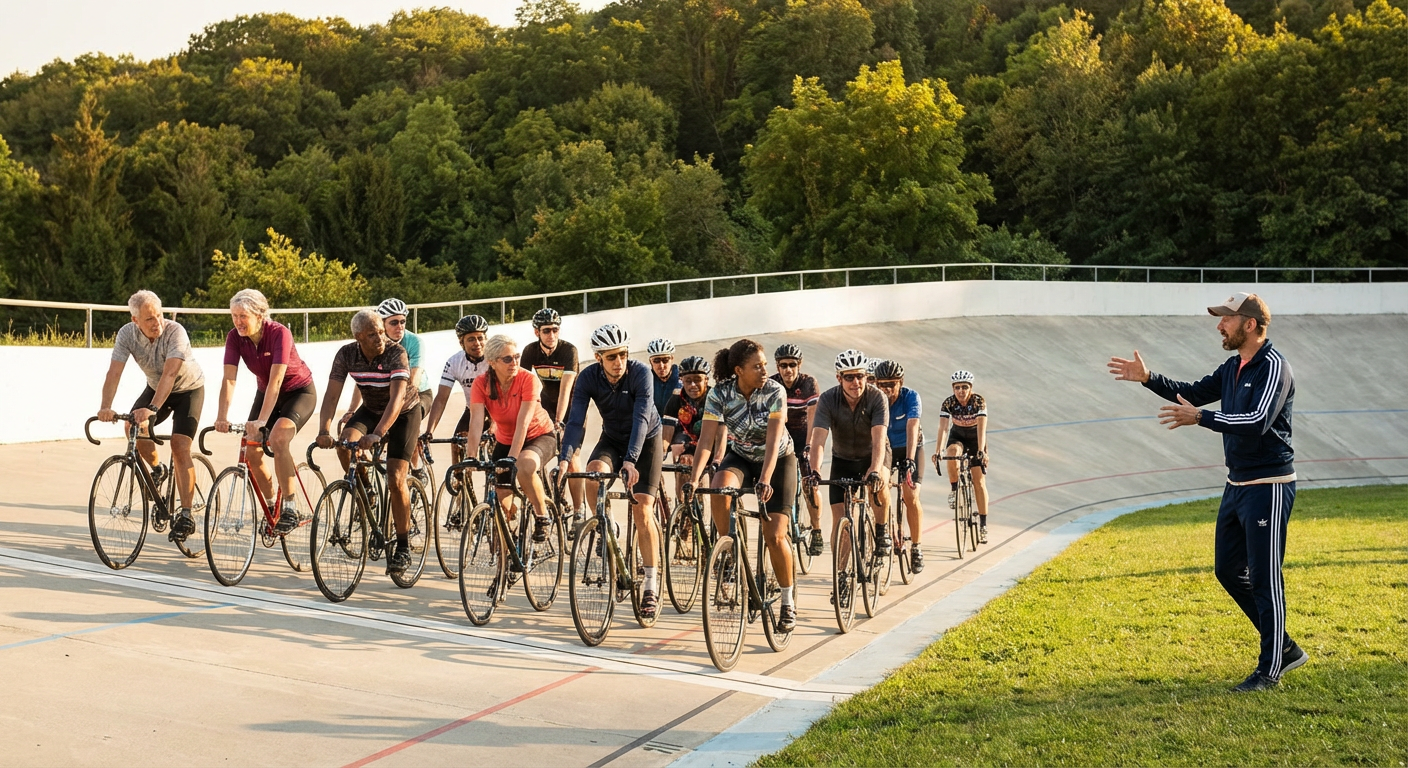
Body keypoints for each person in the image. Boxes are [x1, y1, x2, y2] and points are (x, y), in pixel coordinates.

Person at [1109, 292, 1306, 692]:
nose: (1219, 325)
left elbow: (1257, 420)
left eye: (1226, 319)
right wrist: (1148, 378)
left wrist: (1200, 418)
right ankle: (1284, 648)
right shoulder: (1233, 366)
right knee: (1228, 570)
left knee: (1265, 579)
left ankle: (1270, 669)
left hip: (1268, 486)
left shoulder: (1274, 366)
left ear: (1249, 324)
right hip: (1237, 485)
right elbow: (1193, 393)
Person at [686, 339, 798, 632]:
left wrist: (765, 479)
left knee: (774, 535)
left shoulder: (774, 391)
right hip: (742, 456)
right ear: (739, 370)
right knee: (719, 486)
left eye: (765, 365)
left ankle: (787, 601)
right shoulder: (720, 394)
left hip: (778, 459)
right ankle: (730, 550)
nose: (765, 371)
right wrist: (694, 479)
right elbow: (706, 442)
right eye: (757, 366)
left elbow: (773, 441)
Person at [556, 324, 664, 619]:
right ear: (598, 357)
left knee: (642, 509)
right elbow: (575, 421)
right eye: (611, 357)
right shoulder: (588, 377)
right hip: (613, 438)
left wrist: (631, 460)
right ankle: (609, 526)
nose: (619, 362)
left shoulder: (640, 373)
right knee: (593, 474)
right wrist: (564, 459)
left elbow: (642, 418)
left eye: (623, 354)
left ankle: (651, 584)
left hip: (646, 440)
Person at [315, 310, 422, 575]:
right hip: (371, 409)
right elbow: (331, 395)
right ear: (358, 337)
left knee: (395, 478)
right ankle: (366, 490)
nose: (380, 338)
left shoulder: (396, 353)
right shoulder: (346, 354)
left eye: (381, 332)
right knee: (344, 445)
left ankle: (402, 547)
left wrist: (378, 434)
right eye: (373, 334)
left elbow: (397, 399)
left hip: (404, 412)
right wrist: (323, 429)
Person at [98, 290, 206, 540]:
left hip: (188, 390)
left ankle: (186, 514)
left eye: (159, 315)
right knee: (132, 427)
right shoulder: (127, 333)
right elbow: (114, 373)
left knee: (179, 446)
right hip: (156, 387)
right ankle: (158, 469)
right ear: (135, 320)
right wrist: (105, 406)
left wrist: (153, 409)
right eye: (149, 319)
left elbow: (170, 373)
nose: (157, 322)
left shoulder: (175, 331)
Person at [214, 288, 317, 535]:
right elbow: (229, 379)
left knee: (278, 438)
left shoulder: (280, 333)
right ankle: (272, 506)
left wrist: (262, 420)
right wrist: (221, 416)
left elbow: (277, 380)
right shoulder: (234, 337)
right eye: (234, 316)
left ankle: (290, 508)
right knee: (251, 449)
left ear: (260, 316)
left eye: (243, 316)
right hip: (266, 391)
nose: (238, 321)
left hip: (298, 392)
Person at [464, 335, 557, 542]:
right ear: (492, 362)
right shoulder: (481, 383)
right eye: (507, 359)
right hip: (505, 439)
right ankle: (506, 549)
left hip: (539, 435)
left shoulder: (528, 379)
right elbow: (476, 421)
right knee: (501, 502)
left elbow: (523, 422)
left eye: (516, 357)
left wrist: (512, 458)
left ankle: (542, 515)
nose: (514, 362)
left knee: (524, 464)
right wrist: (471, 456)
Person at [807, 350, 892, 562]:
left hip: (873, 454)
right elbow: (818, 440)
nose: (856, 382)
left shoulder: (877, 397)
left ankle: (881, 530)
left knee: (879, 480)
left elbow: (879, 439)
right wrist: (815, 471)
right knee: (840, 518)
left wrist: (874, 469)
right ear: (839, 378)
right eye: (849, 377)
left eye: (860, 376)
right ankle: (841, 573)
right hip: (843, 459)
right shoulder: (828, 399)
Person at [345, 298, 433, 475]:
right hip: (385, 395)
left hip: (418, 393)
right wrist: (351, 410)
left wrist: (391, 419)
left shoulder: (414, 342)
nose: (400, 326)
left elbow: (413, 382)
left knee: (408, 423)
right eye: (394, 323)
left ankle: (415, 470)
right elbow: (364, 381)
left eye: (403, 321)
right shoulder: (376, 343)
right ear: (382, 324)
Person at [521, 308, 583, 519]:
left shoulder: (568, 350)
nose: (552, 335)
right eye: (546, 330)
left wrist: (558, 421)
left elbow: (566, 390)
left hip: (572, 406)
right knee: (536, 451)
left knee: (571, 456)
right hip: (546, 403)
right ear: (536, 332)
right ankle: (546, 495)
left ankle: (578, 510)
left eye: (555, 330)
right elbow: (523, 386)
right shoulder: (530, 351)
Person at [771, 343, 824, 556]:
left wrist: (809, 445)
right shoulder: (772, 383)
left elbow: (813, 417)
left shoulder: (808, 383)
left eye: (792, 365)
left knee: (810, 484)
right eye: (783, 365)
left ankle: (817, 529)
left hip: (804, 435)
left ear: (799, 365)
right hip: (782, 435)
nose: (788, 370)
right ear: (777, 366)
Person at [874, 359, 925, 573]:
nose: (886, 389)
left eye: (891, 384)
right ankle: (882, 533)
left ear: (901, 383)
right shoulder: (874, 398)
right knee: (878, 487)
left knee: (910, 495)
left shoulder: (911, 397)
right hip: (886, 448)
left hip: (909, 447)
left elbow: (912, 426)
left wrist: (910, 459)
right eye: (882, 384)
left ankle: (916, 546)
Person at [424, 315, 491, 463]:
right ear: (461, 343)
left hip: (498, 411)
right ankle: (460, 476)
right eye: (471, 339)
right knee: (457, 443)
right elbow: (441, 399)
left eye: (480, 338)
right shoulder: (454, 362)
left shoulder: (495, 358)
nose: (477, 343)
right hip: (472, 410)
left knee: (496, 454)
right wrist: (429, 431)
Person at [936, 370, 990, 543]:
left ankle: (983, 524)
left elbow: (982, 427)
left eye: (965, 387)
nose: (961, 391)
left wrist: (981, 450)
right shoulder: (948, 403)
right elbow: (944, 428)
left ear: (971, 388)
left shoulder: (978, 401)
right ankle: (954, 489)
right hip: (957, 435)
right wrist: (938, 450)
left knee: (979, 482)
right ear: (953, 389)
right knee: (951, 454)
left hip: (975, 437)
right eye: (957, 387)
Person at [661, 355, 722, 501]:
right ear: (681, 381)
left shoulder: (715, 398)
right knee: (681, 456)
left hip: (712, 442)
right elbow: (666, 434)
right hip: (689, 442)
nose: (693, 385)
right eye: (688, 381)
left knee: (718, 477)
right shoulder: (676, 399)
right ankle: (684, 505)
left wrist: (717, 460)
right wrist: (660, 454)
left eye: (697, 380)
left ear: (706, 380)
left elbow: (720, 434)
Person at [647, 338, 681, 419]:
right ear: (650, 361)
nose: (661, 366)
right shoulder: (646, 381)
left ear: (672, 359)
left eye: (665, 360)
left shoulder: (682, 379)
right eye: (656, 361)